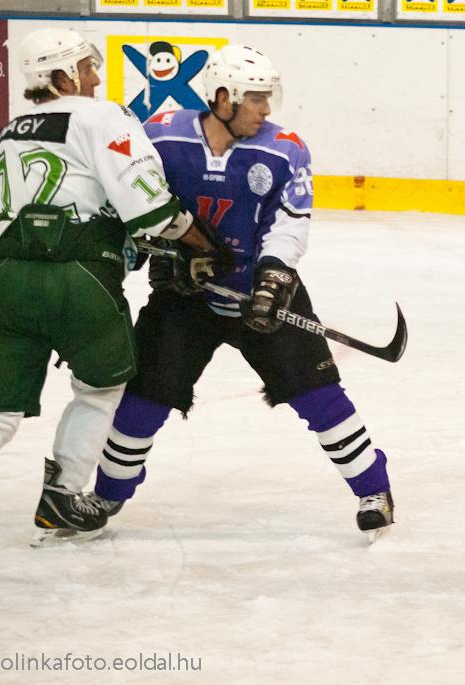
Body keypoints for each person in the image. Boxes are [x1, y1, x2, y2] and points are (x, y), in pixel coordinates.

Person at [0, 27, 231, 560]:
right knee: (99, 389)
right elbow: (151, 209)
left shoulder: (0, 138)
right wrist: (206, 245)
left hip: (8, 283)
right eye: (87, 68)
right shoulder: (100, 115)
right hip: (81, 280)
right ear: (62, 76)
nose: (95, 76)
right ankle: (61, 495)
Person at [91, 44, 395, 540]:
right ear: (223, 98)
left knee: (317, 393)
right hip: (185, 297)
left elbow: (289, 223)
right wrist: (160, 259)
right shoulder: (163, 138)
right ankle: (105, 495)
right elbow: (136, 209)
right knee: (145, 397)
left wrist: (274, 280)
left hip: (261, 292)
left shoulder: (284, 149)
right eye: (256, 98)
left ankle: (374, 489)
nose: (267, 109)